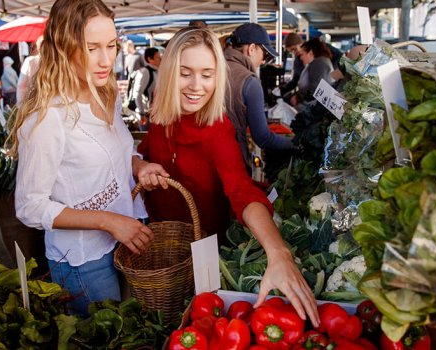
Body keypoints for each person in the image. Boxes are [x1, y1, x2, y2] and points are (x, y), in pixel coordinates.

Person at [137, 27, 320, 326]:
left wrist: (278, 252)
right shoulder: (161, 117)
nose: (197, 86)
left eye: (207, 74)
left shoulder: (216, 129)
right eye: (186, 73)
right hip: (163, 247)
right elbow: (144, 153)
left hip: (204, 254)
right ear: (170, 72)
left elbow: (241, 190)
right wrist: (139, 167)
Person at [9, 0, 168, 317]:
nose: (106, 59)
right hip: (84, 259)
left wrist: (139, 166)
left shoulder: (106, 94)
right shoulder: (46, 117)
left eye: (111, 46)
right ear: (64, 47)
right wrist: (107, 221)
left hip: (124, 239)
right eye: (92, 47)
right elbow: (30, 206)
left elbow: (118, 153)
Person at [225, 23, 294, 174]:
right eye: (265, 55)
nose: (263, 61)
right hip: (230, 160)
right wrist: (294, 143)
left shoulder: (211, 67)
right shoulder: (249, 81)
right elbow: (262, 137)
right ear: (251, 49)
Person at [290, 38, 334, 109]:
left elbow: (315, 87)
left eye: (302, 54)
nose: (300, 58)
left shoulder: (319, 63)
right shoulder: (317, 63)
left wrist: (298, 98)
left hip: (316, 108)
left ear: (310, 53)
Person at [129, 47, 161, 130]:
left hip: (153, 113)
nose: (160, 59)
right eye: (158, 57)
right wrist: (141, 113)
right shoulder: (145, 72)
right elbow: (137, 93)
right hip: (146, 115)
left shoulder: (156, 71)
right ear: (150, 59)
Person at [16, 36, 43, 104]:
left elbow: (21, 86)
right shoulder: (59, 62)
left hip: (34, 102)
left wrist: (21, 106)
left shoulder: (30, 61)